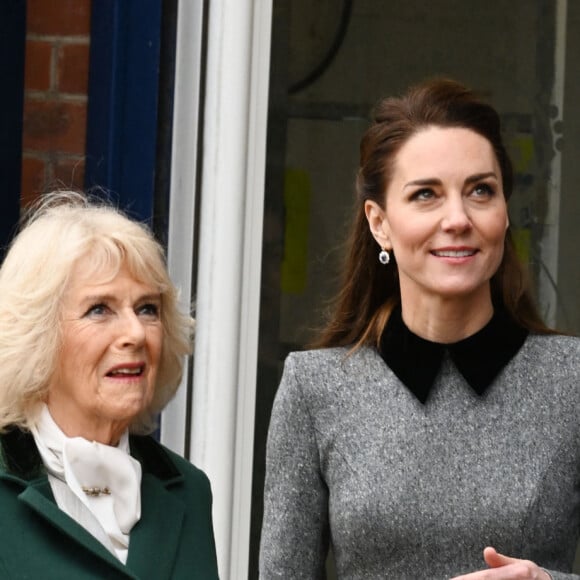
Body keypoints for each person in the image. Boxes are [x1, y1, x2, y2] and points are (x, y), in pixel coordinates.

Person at [259, 79, 580, 579]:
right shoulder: (314, 389)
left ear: (504, 212)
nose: (457, 218)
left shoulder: (572, 381)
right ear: (379, 222)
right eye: (426, 194)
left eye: (480, 190)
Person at [0, 191, 219, 579]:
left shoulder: (189, 490)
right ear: (38, 336)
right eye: (99, 309)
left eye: (147, 309)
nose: (135, 333)